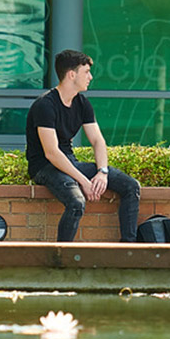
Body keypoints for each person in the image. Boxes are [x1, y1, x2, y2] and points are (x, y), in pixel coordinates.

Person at [26, 49, 141, 242]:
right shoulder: (45, 105)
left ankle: (128, 248)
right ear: (72, 74)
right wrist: (84, 182)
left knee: (131, 186)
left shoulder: (82, 103)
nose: (91, 76)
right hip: (45, 168)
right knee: (76, 201)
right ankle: (62, 256)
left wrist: (102, 172)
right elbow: (52, 153)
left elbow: (97, 141)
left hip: (70, 163)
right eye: (86, 72)